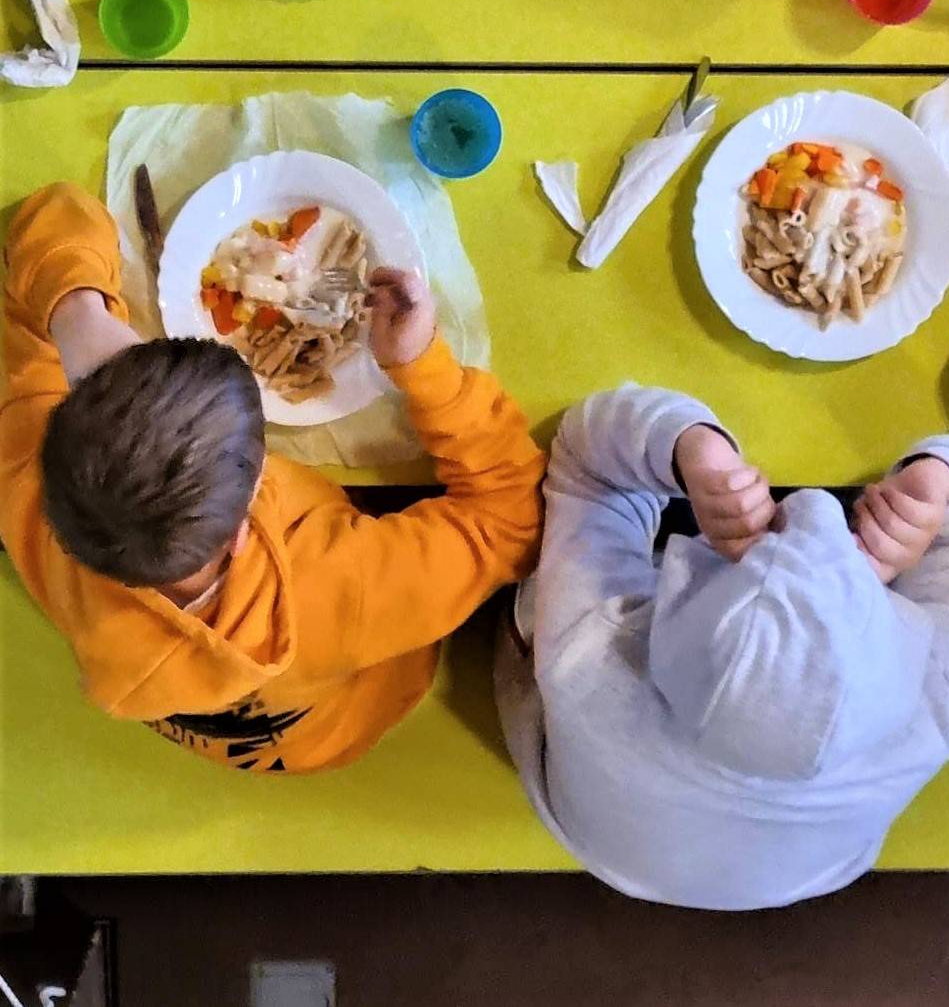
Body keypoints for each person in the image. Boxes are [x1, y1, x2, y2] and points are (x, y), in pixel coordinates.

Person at [0, 184, 544, 773]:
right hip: (342, 715)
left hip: (182, 702)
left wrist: (75, 312)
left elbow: (51, 214)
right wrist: (422, 366)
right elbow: (515, 518)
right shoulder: (352, 584)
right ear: (247, 515)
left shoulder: (24, 486)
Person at [494, 382, 949, 909]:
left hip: (589, 826)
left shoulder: (586, 667)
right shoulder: (940, 707)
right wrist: (943, 482)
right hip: (804, 875)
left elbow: (584, 463)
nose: (811, 505)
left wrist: (690, 447)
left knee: (537, 599)